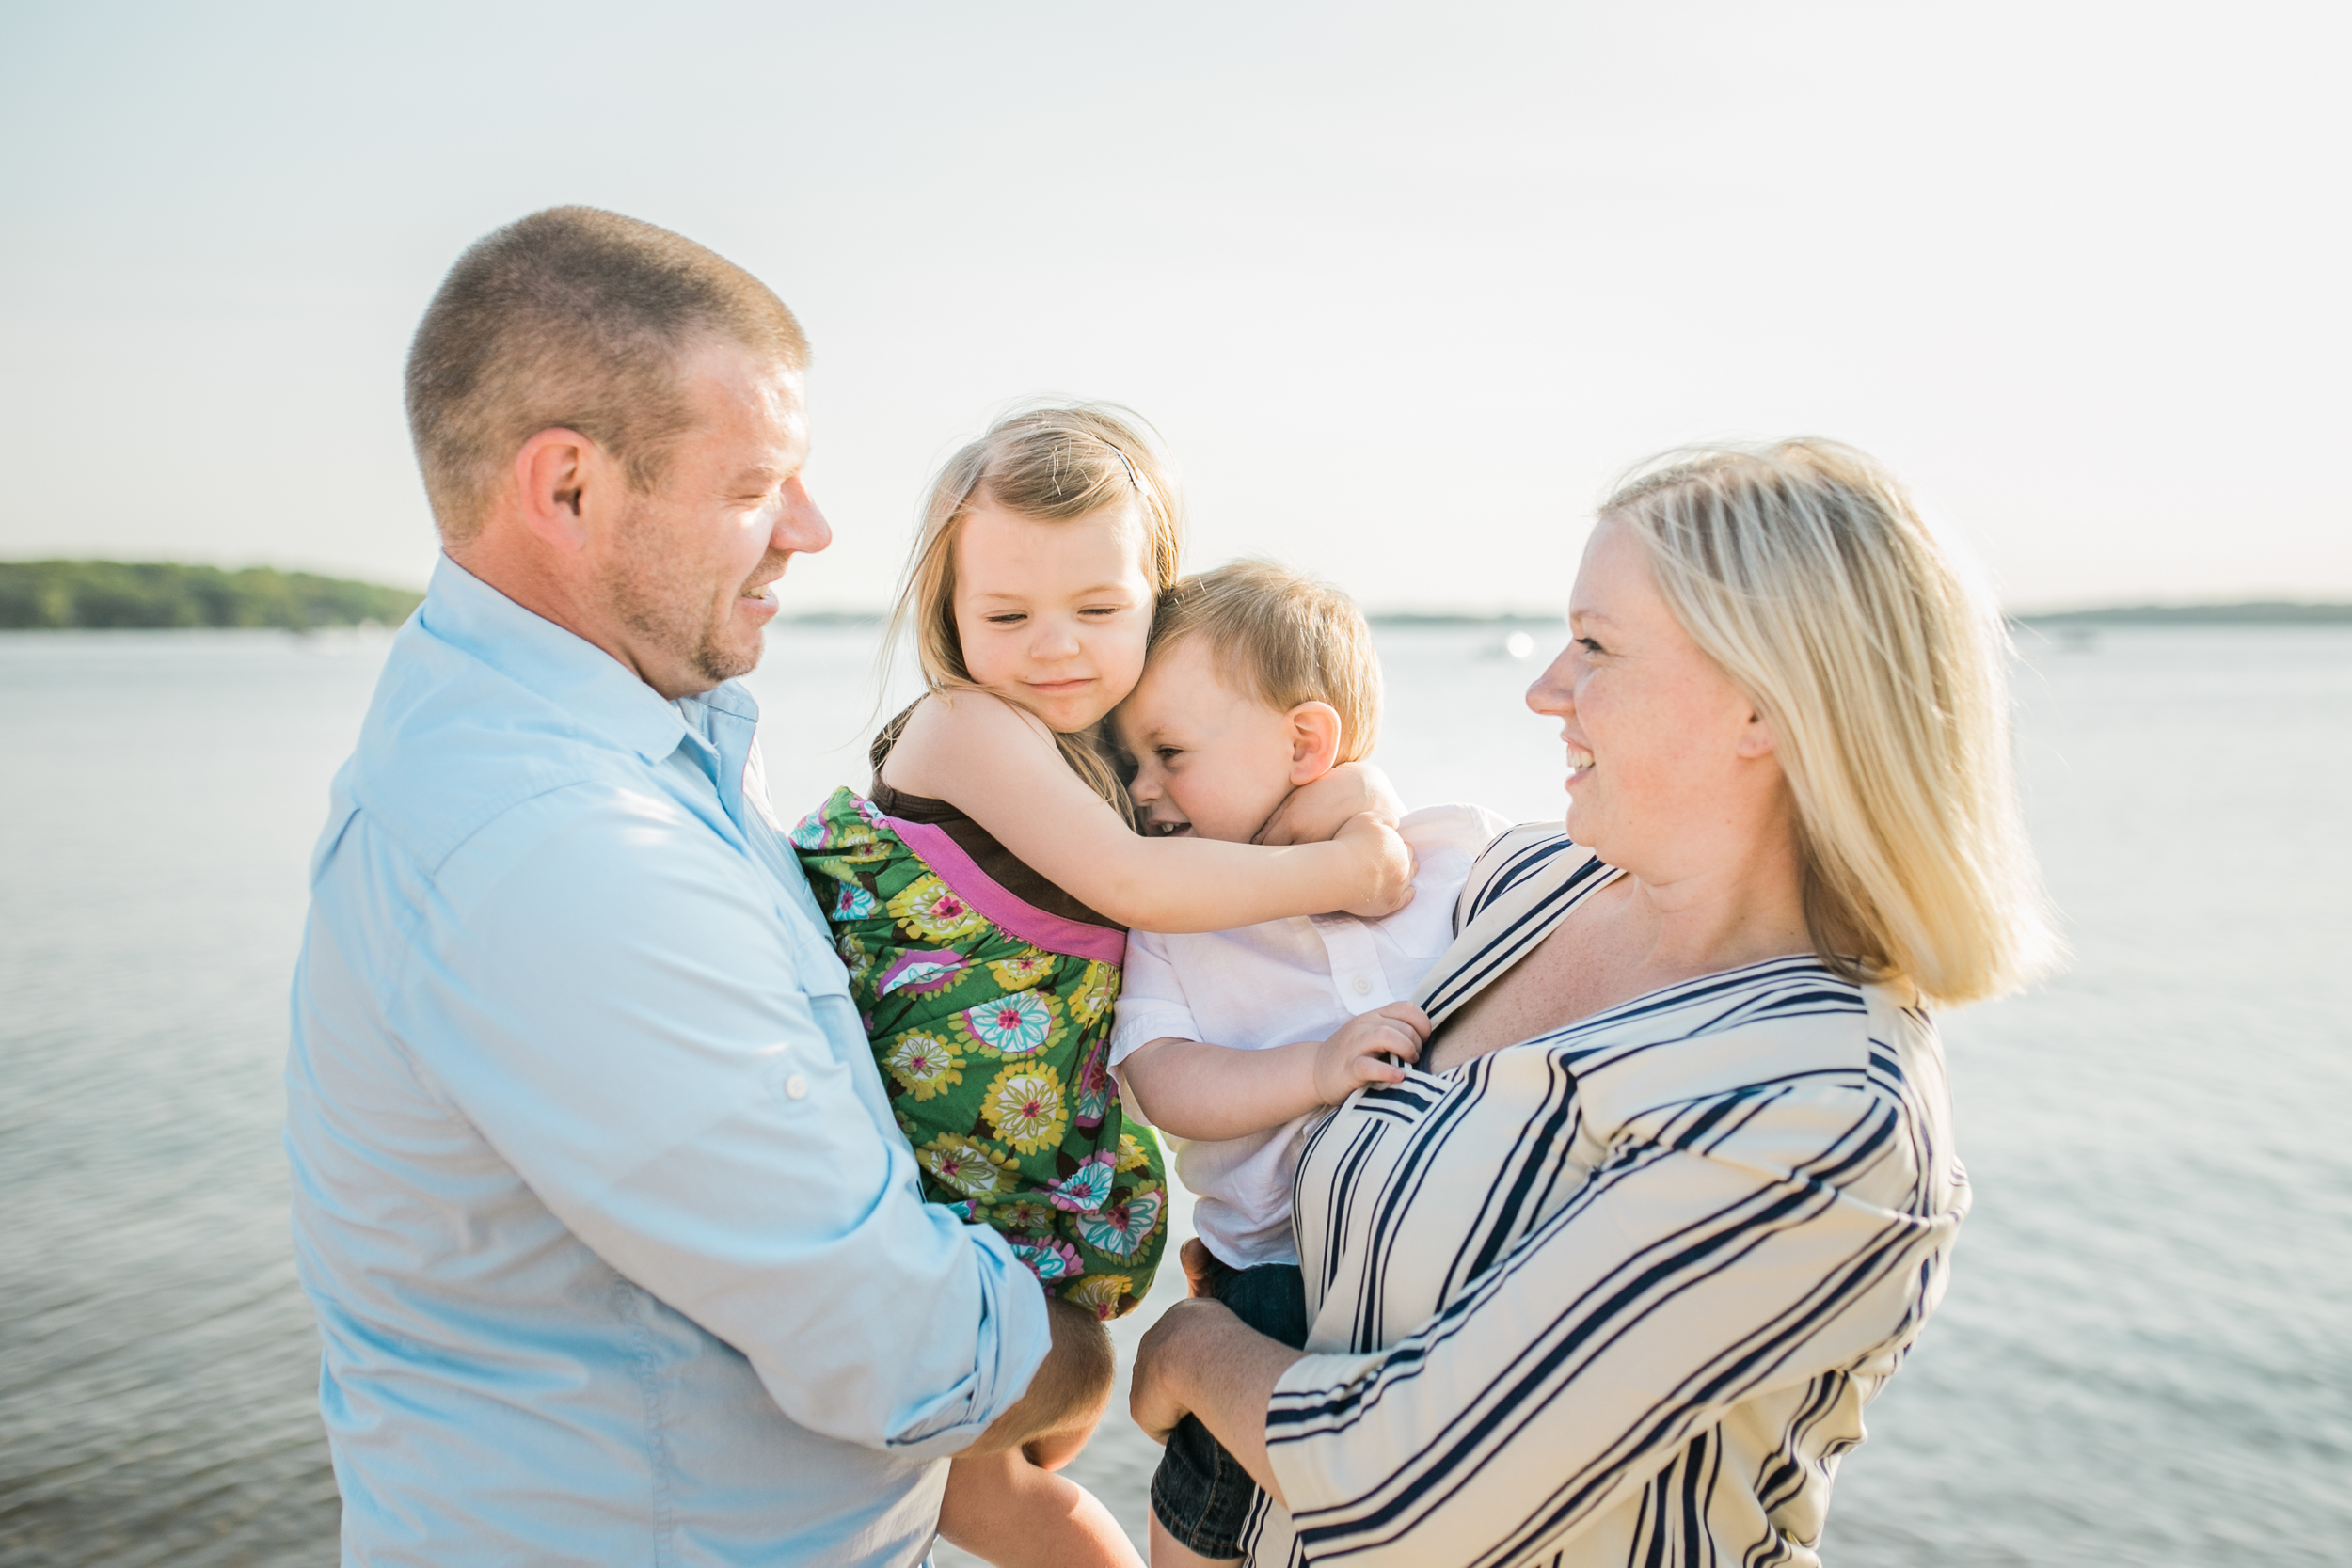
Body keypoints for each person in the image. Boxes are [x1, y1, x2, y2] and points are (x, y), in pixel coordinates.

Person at [285, 208, 1113, 1567]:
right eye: (754, 485)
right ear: (567, 490)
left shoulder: (606, 741)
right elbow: (891, 1348)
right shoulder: (559, 842)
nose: (813, 527)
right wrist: (1083, 1350)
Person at [1130, 439, 2058, 1566]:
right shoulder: (1525, 886)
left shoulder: (1821, 1109)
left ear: (1764, 702)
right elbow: (1310, 829)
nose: (1542, 688)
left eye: (1594, 646)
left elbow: (1406, 1485)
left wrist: (1193, 1348)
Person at [791, 413, 1417, 1568]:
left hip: (1011, 1188)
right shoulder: (964, 726)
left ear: (1155, 595)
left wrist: (1349, 786)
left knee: (994, 1489)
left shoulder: (1122, 763)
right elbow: (1137, 877)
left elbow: (1268, 798)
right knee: (978, 1484)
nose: (1054, 647)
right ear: (948, 617)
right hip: (909, 1172)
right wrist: (1342, 866)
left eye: (1098, 608)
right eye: (1006, 614)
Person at [1104, 560, 1509, 1566]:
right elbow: (1162, 1078)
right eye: (1127, 765)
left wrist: (1356, 814)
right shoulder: (1175, 916)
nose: (1142, 795)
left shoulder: (1453, 856)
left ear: (1304, 742)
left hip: (1451, 1258)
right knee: (1208, 1513)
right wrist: (1313, 1069)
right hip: (1274, 1269)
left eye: (1167, 753)